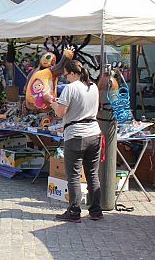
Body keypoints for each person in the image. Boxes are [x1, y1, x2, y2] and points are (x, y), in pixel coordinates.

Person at [50, 60, 103, 223]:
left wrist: (53, 103)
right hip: (94, 132)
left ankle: (74, 212)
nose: (65, 78)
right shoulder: (93, 86)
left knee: (73, 176)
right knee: (92, 174)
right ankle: (95, 211)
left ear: (73, 73)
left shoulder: (70, 88)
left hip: (76, 136)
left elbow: (61, 112)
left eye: (66, 75)